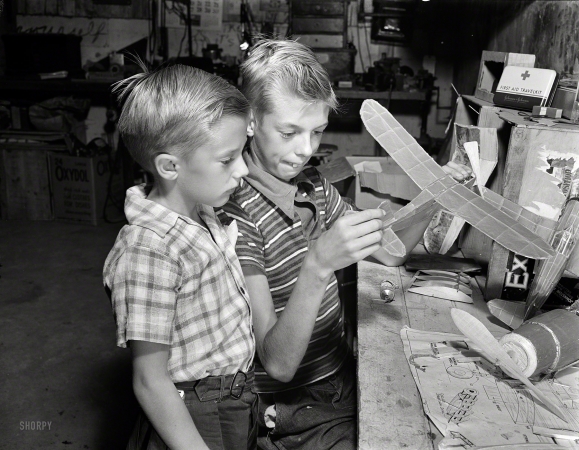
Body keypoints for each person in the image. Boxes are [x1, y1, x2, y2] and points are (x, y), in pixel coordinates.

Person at [217, 38, 471, 450]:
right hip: (289, 408)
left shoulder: (313, 186)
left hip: (339, 375)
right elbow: (277, 364)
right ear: (249, 121)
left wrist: (435, 195)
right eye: (289, 132)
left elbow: (389, 251)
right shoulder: (235, 215)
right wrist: (318, 264)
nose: (306, 149)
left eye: (317, 131)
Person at [103, 63, 257, 450]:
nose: (243, 169)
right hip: (195, 413)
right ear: (170, 166)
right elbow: (150, 380)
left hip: (233, 398)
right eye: (228, 159)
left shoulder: (202, 211)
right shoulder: (148, 250)